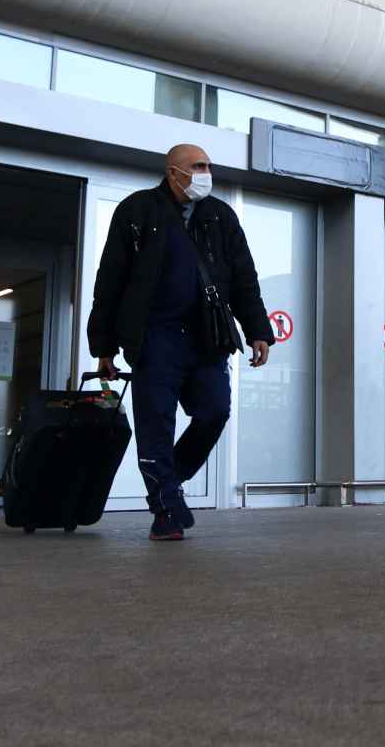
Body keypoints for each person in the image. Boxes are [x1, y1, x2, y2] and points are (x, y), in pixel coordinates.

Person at [88, 144, 272, 541]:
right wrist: (103, 346)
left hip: (209, 337)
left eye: (208, 165)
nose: (206, 173)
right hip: (155, 337)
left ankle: (169, 477)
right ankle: (165, 511)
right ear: (174, 173)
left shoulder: (221, 216)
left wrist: (258, 329)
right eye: (198, 166)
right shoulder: (137, 211)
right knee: (155, 425)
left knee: (214, 412)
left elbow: (244, 278)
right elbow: (110, 281)